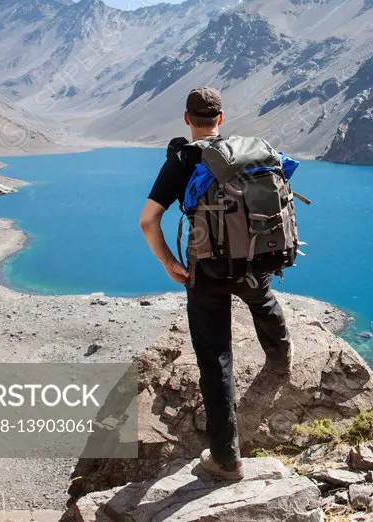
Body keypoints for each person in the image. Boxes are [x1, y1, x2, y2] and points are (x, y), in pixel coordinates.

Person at [139, 86, 293, 481]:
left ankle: (227, 459)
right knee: (263, 300)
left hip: (205, 271)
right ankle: (280, 359)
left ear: (187, 120)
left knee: (215, 358)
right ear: (220, 119)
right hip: (254, 260)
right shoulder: (244, 154)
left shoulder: (183, 159)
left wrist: (169, 262)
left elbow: (148, 220)